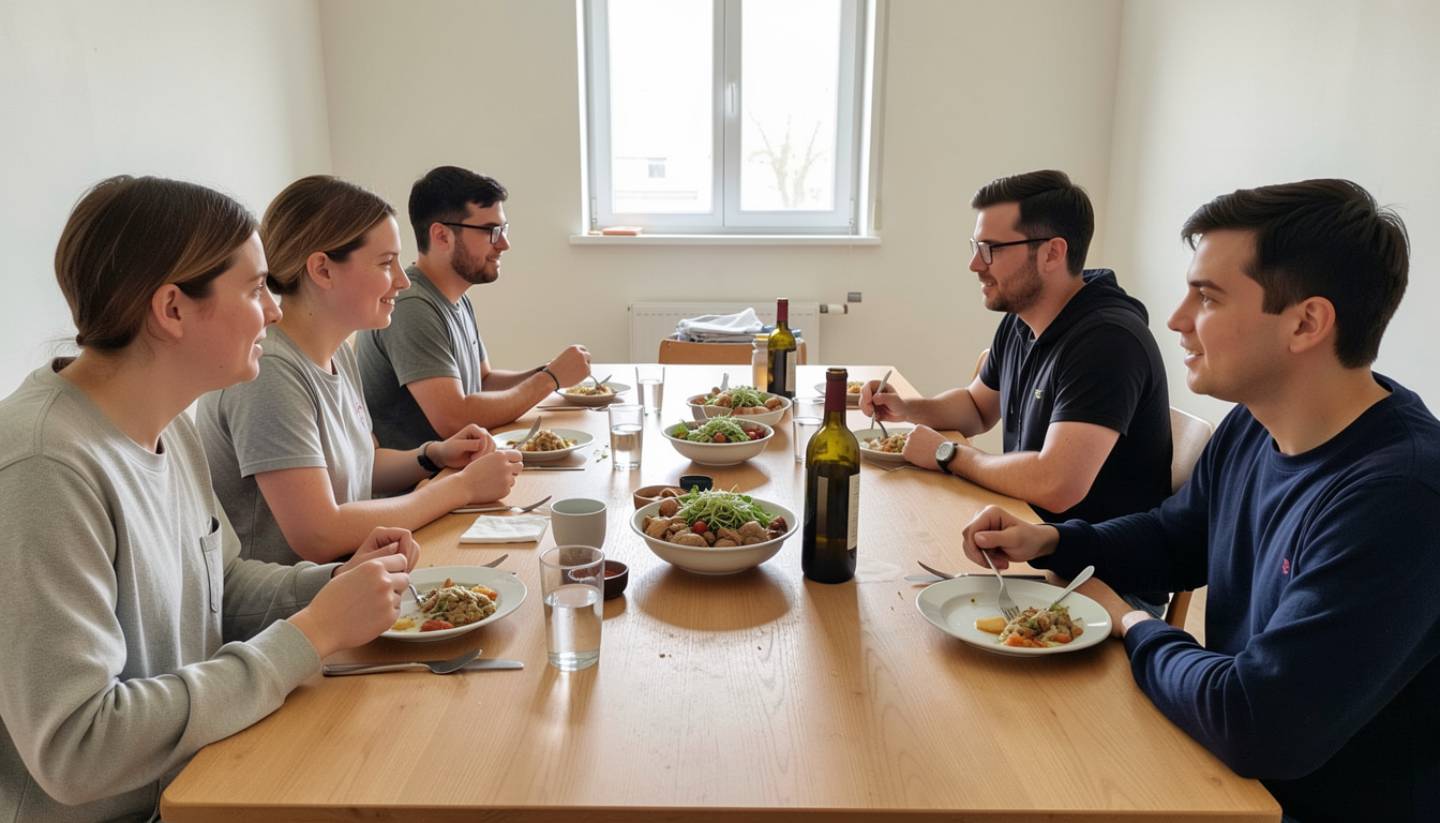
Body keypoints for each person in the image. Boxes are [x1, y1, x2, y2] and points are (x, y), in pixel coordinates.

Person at [961, 179, 1437, 822]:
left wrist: (1132, 623)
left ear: (1306, 323)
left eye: (1207, 297)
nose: (1177, 319)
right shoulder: (1255, 425)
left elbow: (1255, 720)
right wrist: (1055, 541)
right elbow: (1176, 539)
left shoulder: (1401, 497)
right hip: (1222, 772)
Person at [0, 176, 418, 822]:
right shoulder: (42, 466)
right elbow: (78, 748)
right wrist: (313, 633)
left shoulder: (169, 424)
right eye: (255, 290)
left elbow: (221, 583)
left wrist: (333, 585)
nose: (274, 310)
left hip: (203, 773)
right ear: (172, 309)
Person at [862, 169, 1171, 611]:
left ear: (1052, 253)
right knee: (888, 575)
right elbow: (976, 408)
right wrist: (908, 408)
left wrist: (949, 455)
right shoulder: (1022, 320)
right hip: (1032, 550)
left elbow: (1057, 483)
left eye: (990, 249)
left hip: (1103, 586)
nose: (975, 264)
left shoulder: (1108, 341)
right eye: (975, 247)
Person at [198, 175, 522, 565]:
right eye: (386, 263)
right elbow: (320, 534)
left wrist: (434, 455)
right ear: (322, 270)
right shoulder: (269, 372)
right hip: (304, 595)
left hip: (356, 575)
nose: (403, 281)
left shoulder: (338, 351)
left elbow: (365, 463)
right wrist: (462, 488)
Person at [355, 166, 592, 450]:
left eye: (503, 229)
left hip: (461, 467)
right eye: (491, 231)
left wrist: (551, 371)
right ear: (442, 236)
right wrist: (550, 380)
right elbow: (454, 419)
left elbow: (484, 381)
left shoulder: (456, 296)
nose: (504, 244)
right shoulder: (411, 305)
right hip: (427, 475)